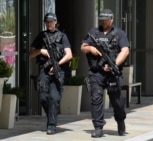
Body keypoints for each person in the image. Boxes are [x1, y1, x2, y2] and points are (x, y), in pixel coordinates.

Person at [80, 9, 129, 138]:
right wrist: (91, 48)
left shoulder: (119, 34)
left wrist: (114, 65)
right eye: (101, 19)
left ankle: (120, 120)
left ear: (111, 19)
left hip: (113, 73)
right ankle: (98, 127)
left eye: (105, 19)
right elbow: (83, 47)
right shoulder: (93, 33)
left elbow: (125, 51)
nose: (103, 21)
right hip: (97, 73)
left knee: (117, 101)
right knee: (96, 99)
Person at [29, 13, 72, 135]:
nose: (48, 24)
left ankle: (52, 125)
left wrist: (57, 64)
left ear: (56, 22)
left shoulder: (62, 36)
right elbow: (30, 53)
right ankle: (52, 117)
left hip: (58, 71)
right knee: (43, 97)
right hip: (44, 70)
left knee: (54, 98)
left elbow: (69, 55)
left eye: (51, 21)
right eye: (47, 22)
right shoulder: (41, 36)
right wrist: (40, 51)